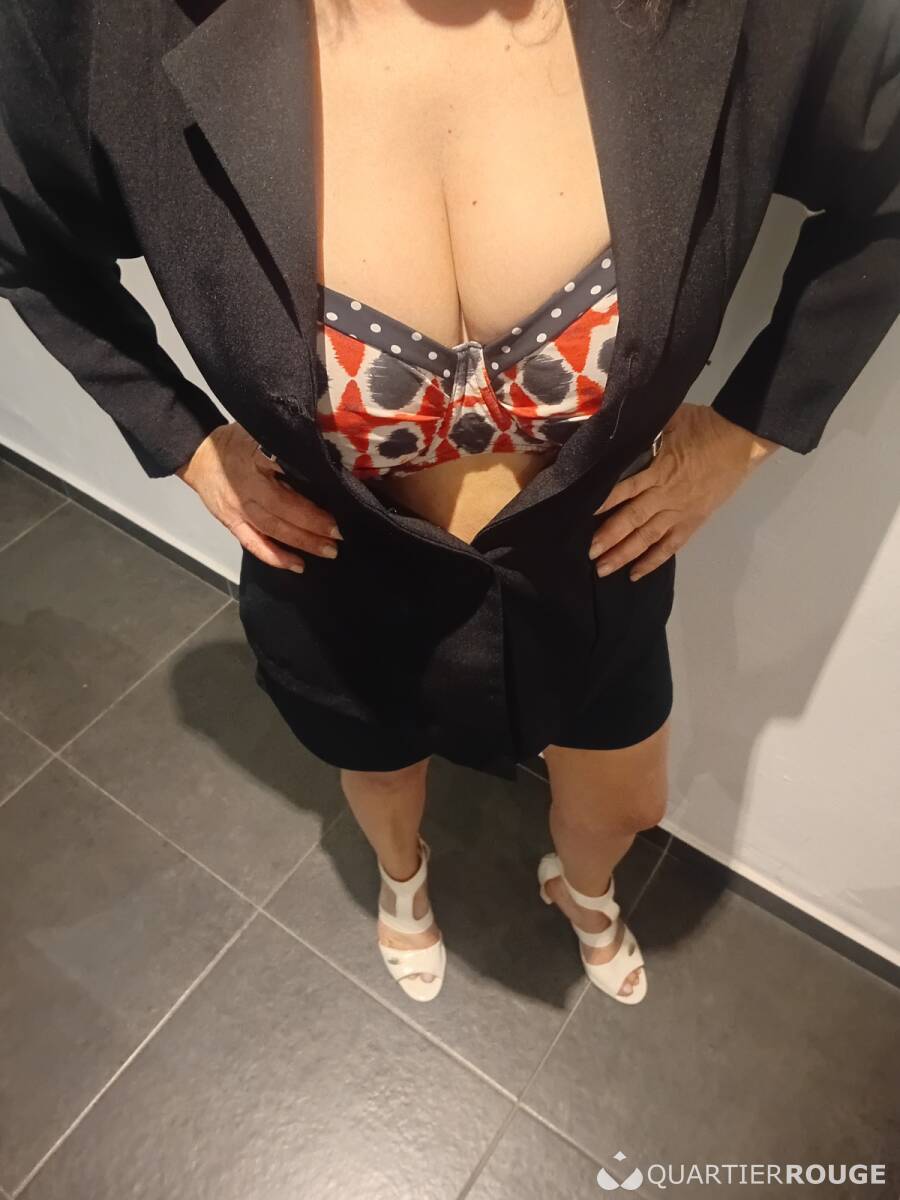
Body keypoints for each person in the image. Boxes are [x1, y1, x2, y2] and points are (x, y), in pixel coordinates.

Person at [1, 0, 898, 1004]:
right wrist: (185, 440)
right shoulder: (104, 22)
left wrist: (750, 426)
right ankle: (403, 881)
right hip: (340, 575)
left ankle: (584, 891)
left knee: (628, 801)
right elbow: (25, 239)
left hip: (591, 561)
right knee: (381, 776)